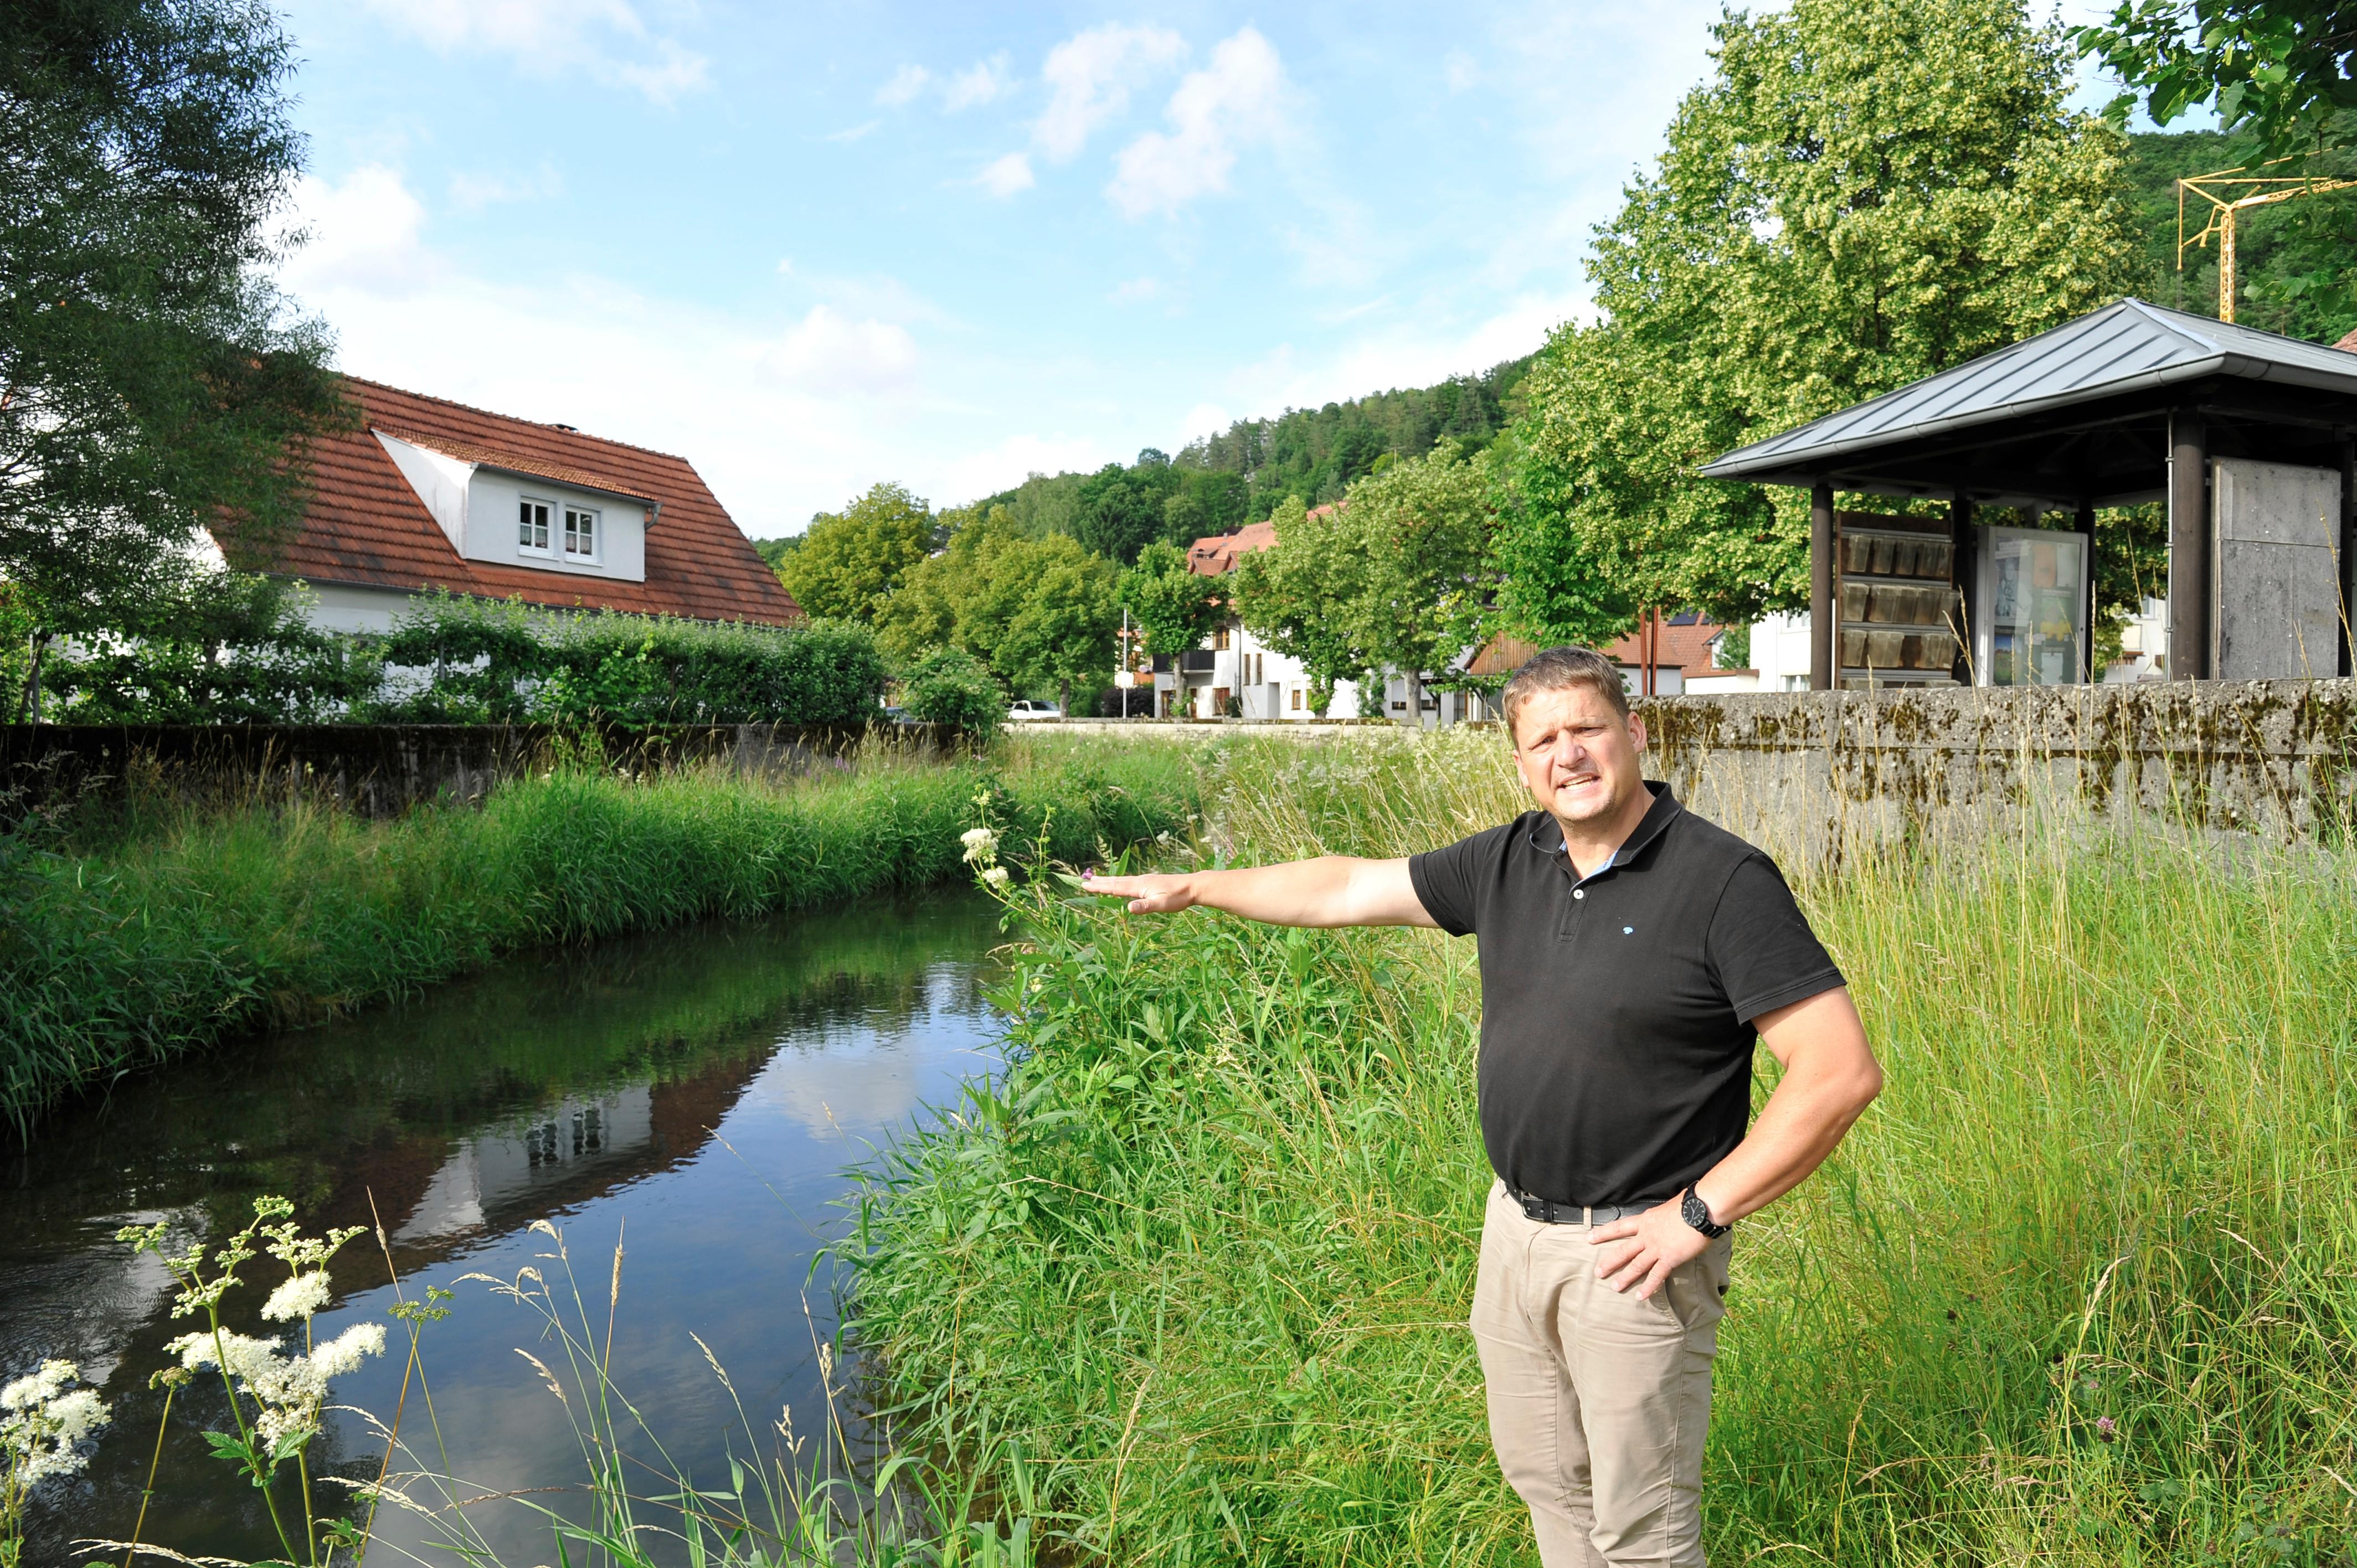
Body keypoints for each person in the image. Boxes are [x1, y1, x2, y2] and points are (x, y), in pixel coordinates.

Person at [1080, 644, 1882, 1567]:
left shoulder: (1722, 882)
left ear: (1636, 732)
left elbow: (1837, 1073)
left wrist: (1696, 1217)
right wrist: (1198, 888)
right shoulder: (1514, 856)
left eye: (1587, 728)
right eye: (1543, 740)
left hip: (1634, 1254)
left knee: (1645, 1530)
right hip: (1515, 1234)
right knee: (1548, 1486)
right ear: (1521, 763)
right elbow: (1348, 884)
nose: (1568, 755)